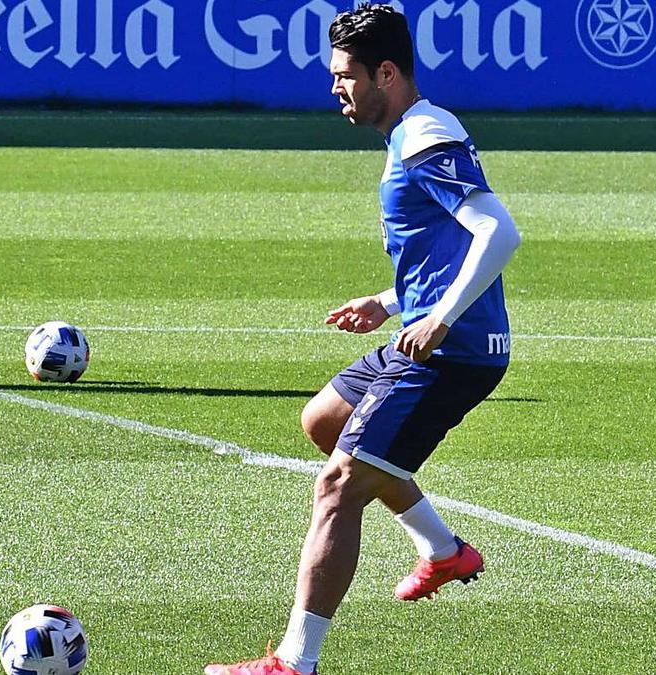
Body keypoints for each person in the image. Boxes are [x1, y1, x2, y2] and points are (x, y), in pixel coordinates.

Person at [204, 5, 521, 673]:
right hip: (423, 333)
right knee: (325, 420)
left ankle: (295, 660)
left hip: (448, 351)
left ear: (387, 72)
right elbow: (444, 247)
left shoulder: (425, 134)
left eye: (346, 75)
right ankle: (443, 550)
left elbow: (498, 231)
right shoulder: (408, 133)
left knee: (340, 482)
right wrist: (388, 301)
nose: (335, 88)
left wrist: (439, 318)